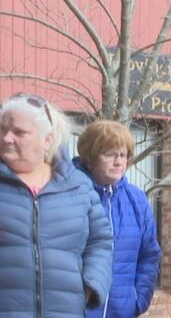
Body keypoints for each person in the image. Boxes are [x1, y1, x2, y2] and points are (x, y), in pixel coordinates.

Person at [0, 93, 113, 317]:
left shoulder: (78, 185)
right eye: (3, 129)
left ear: (47, 140)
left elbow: (100, 241)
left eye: (19, 132)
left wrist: (90, 286)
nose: (6, 138)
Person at [73, 119, 162, 318]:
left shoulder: (137, 199)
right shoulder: (69, 193)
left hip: (122, 311)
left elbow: (149, 254)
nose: (119, 161)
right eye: (110, 154)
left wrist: (138, 300)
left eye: (123, 155)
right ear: (89, 158)